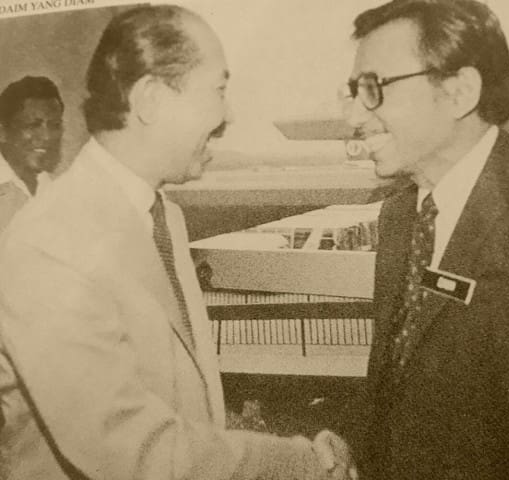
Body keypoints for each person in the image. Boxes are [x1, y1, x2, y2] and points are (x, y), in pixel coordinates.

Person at [0, 5, 354, 480]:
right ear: (150, 99)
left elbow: (183, 410)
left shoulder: (164, 215)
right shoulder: (49, 244)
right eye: (219, 90)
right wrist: (300, 462)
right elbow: (134, 451)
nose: (228, 114)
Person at [341, 0, 509, 479]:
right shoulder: (400, 216)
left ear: (459, 91)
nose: (353, 116)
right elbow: (400, 392)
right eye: (353, 92)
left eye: (373, 88)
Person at [0, 76, 64, 231]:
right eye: (33, 125)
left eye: (55, 125)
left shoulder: (56, 190)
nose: (47, 136)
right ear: (2, 132)